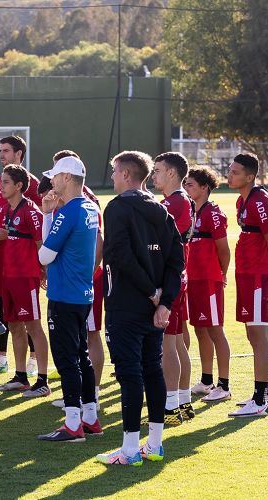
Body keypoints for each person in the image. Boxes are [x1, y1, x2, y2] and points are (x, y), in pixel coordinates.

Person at [96, 151, 183, 466]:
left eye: (115, 172)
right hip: (154, 309)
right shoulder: (162, 211)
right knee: (151, 370)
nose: (113, 177)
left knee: (131, 373)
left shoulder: (118, 208)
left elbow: (118, 254)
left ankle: (131, 450)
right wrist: (165, 302)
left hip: (127, 305)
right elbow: (176, 261)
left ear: (125, 173)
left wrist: (153, 294)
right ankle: (155, 445)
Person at [33, 156, 101, 442]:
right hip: (82, 292)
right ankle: (90, 417)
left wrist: (51, 217)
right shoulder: (89, 207)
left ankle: (73, 422)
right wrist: (48, 214)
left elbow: (45, 255)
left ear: (68, 179)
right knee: (81, 355)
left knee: (67, 358)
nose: (52, 181)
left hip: (64, 294)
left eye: (56, 177)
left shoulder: (70, 210)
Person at [226, 153, 268, 417]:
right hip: (247, 274)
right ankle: (267, 393)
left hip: (256, 276)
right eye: (230, 170)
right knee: (252, 334)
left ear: (249, 176)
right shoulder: (243, 199)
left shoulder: (260, 201)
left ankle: (259, 400)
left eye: (235, 172)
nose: (230, 175)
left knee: (259, 336)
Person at [0, 135, 43, 378]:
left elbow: (37, 223)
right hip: (1, 255)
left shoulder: (33, 184)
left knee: (27, 311)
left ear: (19, 154)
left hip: (23, 259)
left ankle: (34, 360)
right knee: (0, 304)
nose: (1, 155)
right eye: (0, 151)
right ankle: (1, 357)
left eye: (5, 150)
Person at [0, 164, 50, 397]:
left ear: (19, 186)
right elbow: (7, 237)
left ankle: (43, 380)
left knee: (33, 326)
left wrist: (43, 272)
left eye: (6, 182)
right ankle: (21, 376)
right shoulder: (4, 209)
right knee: (14, 326)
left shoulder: (31, 211)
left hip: (26, 276)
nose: (1, 186)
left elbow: (40, 244)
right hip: (8, 276)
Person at [151, 152, 196, 424]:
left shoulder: (174, 202)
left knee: (169, 343)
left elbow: (159, 243)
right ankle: (183, 402)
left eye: (157, 170)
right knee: (177, 342)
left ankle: (169, 409)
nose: (153, 175)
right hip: (178, 277)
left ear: (171, 173)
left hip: (170, 279)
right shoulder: (179, 200)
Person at [183, 166, 232, 402]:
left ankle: (224, 385)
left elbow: (224, 250)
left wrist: (221, 275)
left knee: (215, 330)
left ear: (204, 188)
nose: (186, 188)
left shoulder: (213, 213)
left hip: (208, 280)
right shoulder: (190, 210)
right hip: (192, 280)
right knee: (200, 329)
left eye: (190, 184)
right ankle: (206, 380)